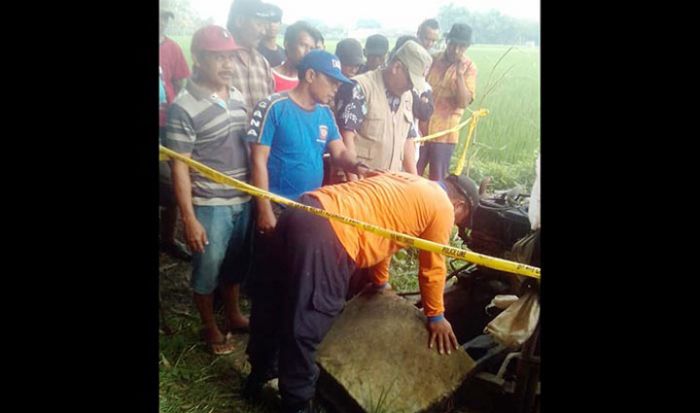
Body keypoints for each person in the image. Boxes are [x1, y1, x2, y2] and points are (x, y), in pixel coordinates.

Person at [244, 171, 479, 412]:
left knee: (274, 299)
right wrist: (436, 316)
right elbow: (433, 266)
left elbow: (384, 227)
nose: (455, 224)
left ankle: (258, 377)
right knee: (308, 323)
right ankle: (297, 404)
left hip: (303, 208)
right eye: (460, 220)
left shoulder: (410, 181)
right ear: (458, 205)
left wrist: (379, 282)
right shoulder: (443, 206)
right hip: (330, 232)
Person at [164, 25, 252, 355]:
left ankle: (232, 314)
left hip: (242, 199)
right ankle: (209, 327)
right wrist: (188, 218)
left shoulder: (239, 97)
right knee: (207, 268)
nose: (227, 65)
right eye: (218, 58)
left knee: (234, 264)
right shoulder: (183, 107)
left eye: (230, 57)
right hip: (209, 204)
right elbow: (179, 167)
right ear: (198, 59)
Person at [335, 40, 432, 180]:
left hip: (388, 186)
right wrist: (354, 185)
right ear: (396, 67)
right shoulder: (360, 88)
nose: (411, 87)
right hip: (358, 185)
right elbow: (346, 138)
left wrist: (414, 181)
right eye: (410, 81)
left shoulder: (408, 96)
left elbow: (407, 140)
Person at [417, 23, 477, 181]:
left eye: (461, 47)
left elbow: (463, 102)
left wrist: (459, 76)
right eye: (453, 45)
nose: (456, 50)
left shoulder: (469, 68)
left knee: (437, 179)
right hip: (420, 130)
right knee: (412, 175)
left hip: (445, 135)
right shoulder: (432, 59)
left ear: (466, 47)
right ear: (447, 42)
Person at [159, 5, 192, 260]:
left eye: (164, 17)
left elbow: (180, 82)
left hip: (166, 126)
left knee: (171, 185)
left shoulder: (172, 48)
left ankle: (168, 238)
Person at [226, 0, 277, 112]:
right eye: (259, 24)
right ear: (239, 21)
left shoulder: (262, 63)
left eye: (265, 26)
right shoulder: (219, 62)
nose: (263, 32)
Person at [271, 21, 317, 92]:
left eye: (311, 48)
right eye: (303, 45)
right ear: (287, 45)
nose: (307, 52)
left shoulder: (311, 83)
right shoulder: (269, 76)